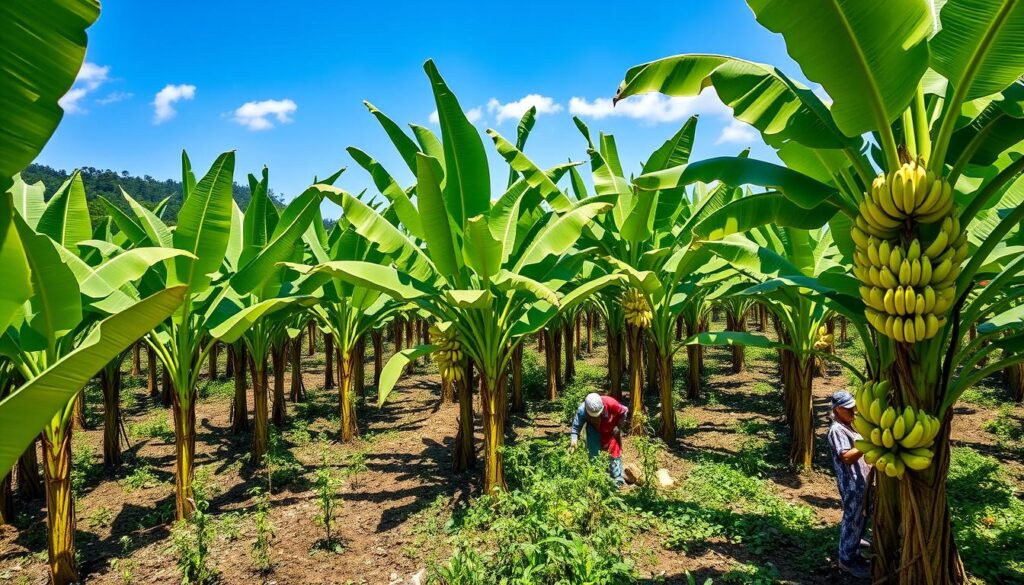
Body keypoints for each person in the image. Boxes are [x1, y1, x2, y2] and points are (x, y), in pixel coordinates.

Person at [827, 390, 872, 579]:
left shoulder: (851, 426)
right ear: (837, 409)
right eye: (848, 408)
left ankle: (855, 553)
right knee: (852, 519)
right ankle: (846, 560)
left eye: (854, 407)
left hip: (863, 483)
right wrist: (866, 444)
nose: (853, 411)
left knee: (860, 520)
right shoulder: (837, 430)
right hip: (851, 484)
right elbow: (845, 457)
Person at [568, 392, 629, 486]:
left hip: (611, 428)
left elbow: (624, 411)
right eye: (593, 416)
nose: (596, 418)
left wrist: (618, 426)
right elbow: (576, 428)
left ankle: (617, 479)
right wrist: (573, 441)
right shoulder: (582, 410)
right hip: (593, 430)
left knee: (614, 453)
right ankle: (596, 478)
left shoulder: (611, 403)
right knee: (593, 455)